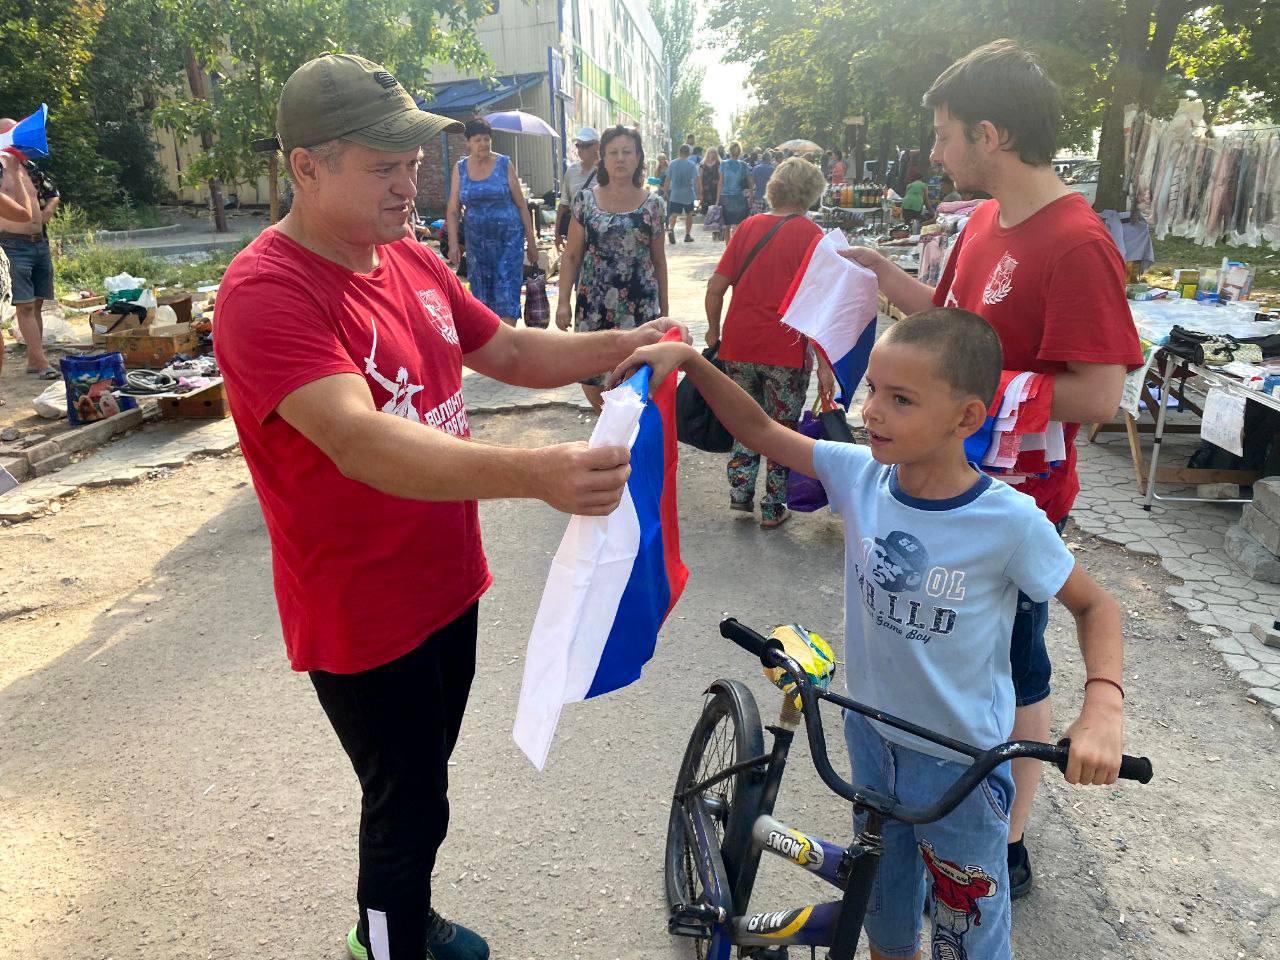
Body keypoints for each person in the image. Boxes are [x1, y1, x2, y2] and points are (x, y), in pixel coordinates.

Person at [212, 54, 688, 960]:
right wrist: (537, 471)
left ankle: (404, 923)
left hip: (446, 587)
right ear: (306, 168)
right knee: (405, 804)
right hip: (364, 613)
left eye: (413, 159)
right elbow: (357, 439)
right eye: (383, 165)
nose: (411, 179)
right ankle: (386, 942)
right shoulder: (268, 293)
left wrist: (618, 342)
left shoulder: (409, 257)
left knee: (423, 786)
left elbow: (503, 346)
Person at [614, 307, 1126, 960]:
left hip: (961, 770)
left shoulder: (1009, 523)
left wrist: (1103, 703)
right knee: (883, 924)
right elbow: (760, 429)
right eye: (874, 391)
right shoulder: (862, 477)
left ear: (967, 418)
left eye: (901, 399)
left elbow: (1096, 606)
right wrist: (690, 361)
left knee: (966, 938)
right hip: (869, 740)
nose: (872, 412)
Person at [841, 39, 1143, 900]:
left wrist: (981, 398)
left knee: (1014, 662)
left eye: (944, 137)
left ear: (990, 134)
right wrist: (878, 276)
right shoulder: (980, 223)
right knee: (939, 648)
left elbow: (1097, 392)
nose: (935, 155)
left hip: (1013, 499)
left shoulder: (1078, 243)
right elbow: (951, 329)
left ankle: (1004, 837)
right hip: (939, 479)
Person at [705, 157, 829, 528]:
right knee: (781, 429)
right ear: (811, 192)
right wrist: (825, 364)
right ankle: (773, 509)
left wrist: (714, 331)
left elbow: (715, 289)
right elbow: (821, 306)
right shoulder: (812, 236)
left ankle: (740, 494)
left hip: (739, 348)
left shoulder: (747, 227)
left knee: (745, 422)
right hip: (786, 352)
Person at [556, 125, 668, 411]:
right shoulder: (585, 201)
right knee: (590, 376)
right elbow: (570, 257)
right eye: (613, 153)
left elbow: (658, 260)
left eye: (627, 152)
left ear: (639, 157)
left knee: (634, 374)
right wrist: (562, 303)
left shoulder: (654, 205)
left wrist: (665, 312)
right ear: (602, 159)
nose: (620, 159)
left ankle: (624, 436)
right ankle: (607, 421)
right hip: (594, 304)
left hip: (639, 306)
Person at [446, 116, 537, 325]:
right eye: (477, 140)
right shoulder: (460, 169)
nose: (483, 144)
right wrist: (453, 244)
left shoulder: (504, 163)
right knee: (481, 295)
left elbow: (522, 205)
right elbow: (452, 209)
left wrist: (531, 243)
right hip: (478, 244)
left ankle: (508, 345)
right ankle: (490, 346)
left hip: (509, 240)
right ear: (468, 142)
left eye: (487, 139)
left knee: (506, 289)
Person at [0, 130, 60, 380]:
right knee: (24, 306)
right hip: (12, 244)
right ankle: (41, 361)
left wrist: (45, 214)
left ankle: (34, 358)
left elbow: (53, 193)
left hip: (39, 242)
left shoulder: (29, 165)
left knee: (35, 303)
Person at [554, 126, 600, 253]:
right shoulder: (571, 171)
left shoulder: (606, 171)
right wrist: (557, 234)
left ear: (597, 146)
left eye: (585, 145)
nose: (581, 150)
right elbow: (563, 205)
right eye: (578, 146)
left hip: (599, 233)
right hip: (576, 232)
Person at [665, 143, 700, 244]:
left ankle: (671, 229)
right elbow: (697, 180)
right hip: (688, 193)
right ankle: (687, 235)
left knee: (674, 214)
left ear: (679, 152)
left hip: (675, 193)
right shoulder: (691, 165)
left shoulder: (672, 163)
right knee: (689, 214)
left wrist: (665, 191)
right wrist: (699, 193)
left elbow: (667, 179)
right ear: (688, 153)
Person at [718, 141, 751, 244]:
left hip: (726, 197)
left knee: (727, 225)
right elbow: (751, 183)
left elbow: (720, 183)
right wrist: (751, 196)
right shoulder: (744, 165)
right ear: (740, 152)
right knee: (738, 225)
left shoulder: (723, 164)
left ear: (730, 151)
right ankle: (736, 246)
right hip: (739, 198)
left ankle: (728, 248)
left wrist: (717, 199)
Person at [699, 146, 720, 217]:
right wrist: (700, 187)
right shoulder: (703, 164)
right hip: (705, 188)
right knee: (705, 206)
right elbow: (700, 177)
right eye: (711, 152)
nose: (712, 154)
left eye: (714, 152)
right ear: (708, 153)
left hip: (716, 188)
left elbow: (721, 177)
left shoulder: (719, 163)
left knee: (714, 206)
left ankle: (714, 222)